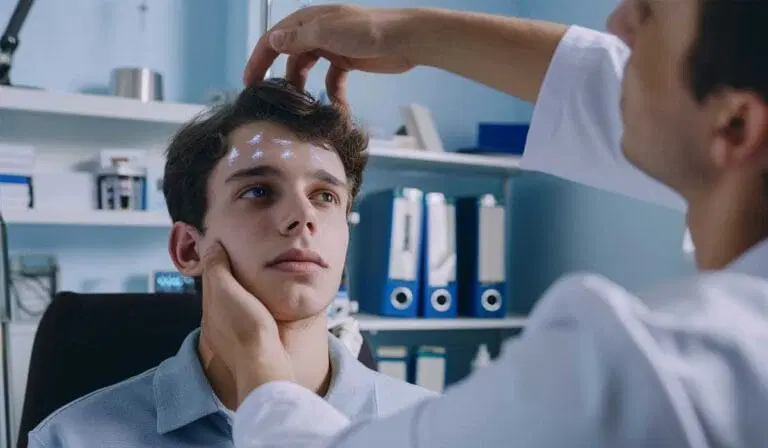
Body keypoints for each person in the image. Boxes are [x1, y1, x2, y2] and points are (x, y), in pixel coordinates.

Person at [198, 1, 768, 447]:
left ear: (737, 126)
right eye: (256, 191)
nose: (615, 22)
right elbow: (604, 91)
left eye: (648, 11)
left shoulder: (656, 375)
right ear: (187, 245)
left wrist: (259, 367)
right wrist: (406, 32)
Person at [26, 79, 435, 447]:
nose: (302, 216)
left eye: (325, 196)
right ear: (189, 249)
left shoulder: (436, 429)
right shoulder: (71, 439)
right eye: (259, 191)